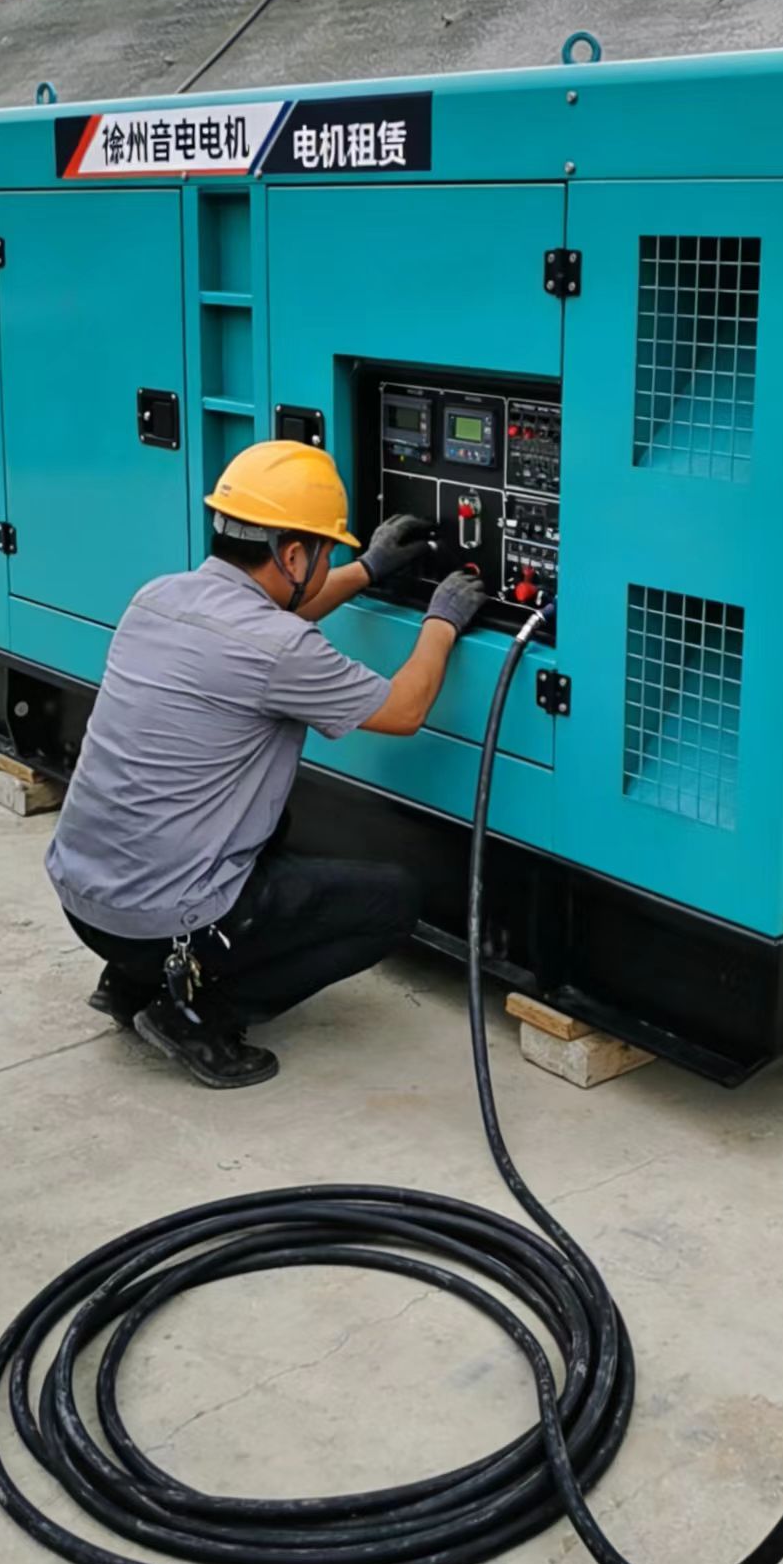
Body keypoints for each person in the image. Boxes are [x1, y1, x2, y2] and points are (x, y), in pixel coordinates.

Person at [46, 439, 485, 1087]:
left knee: (263, 818)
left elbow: (263, 622)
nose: (327, 560)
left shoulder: (158, 598)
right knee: (393, 901)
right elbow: (405, 708)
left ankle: (130, 983)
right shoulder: (280, 648)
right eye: (325, 550)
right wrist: (442, 622)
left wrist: (365, 570)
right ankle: (196, 1012)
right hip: (155, 921)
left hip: (85, 902)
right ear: (294, 553)